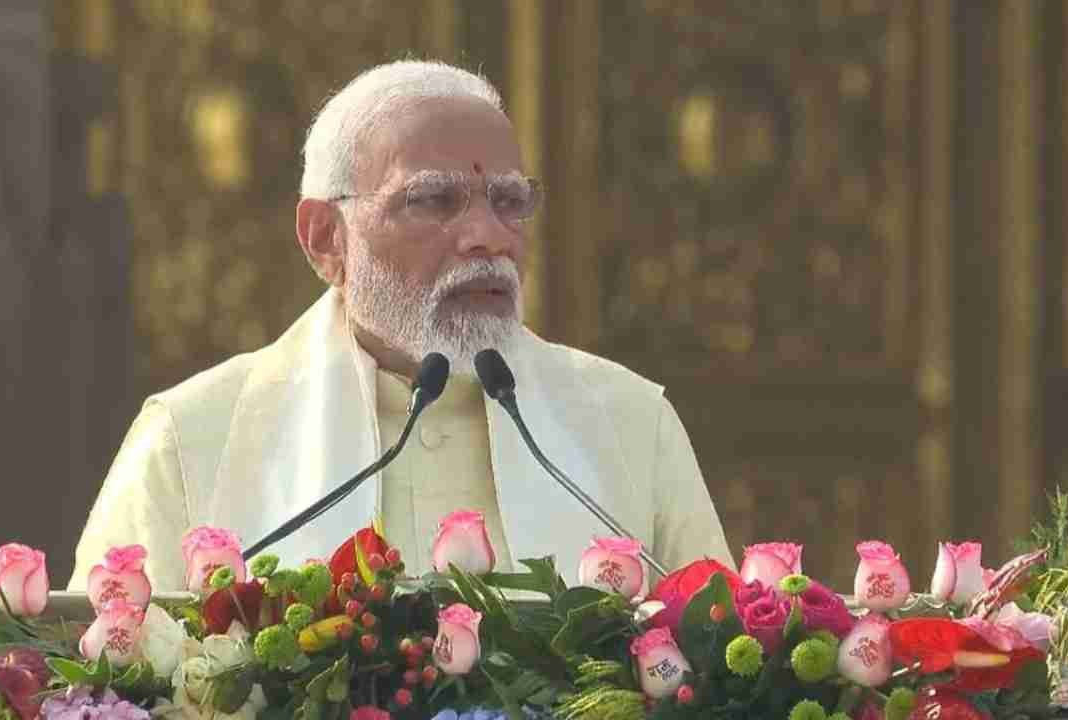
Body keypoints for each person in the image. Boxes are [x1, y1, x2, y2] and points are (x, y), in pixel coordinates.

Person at [68, 60, 732, 592]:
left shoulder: (631, 423)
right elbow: (106, 682)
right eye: (434, 200)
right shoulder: (191, 439)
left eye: (509, 201)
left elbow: (721, 674)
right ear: (326, 237)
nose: (487, 237)